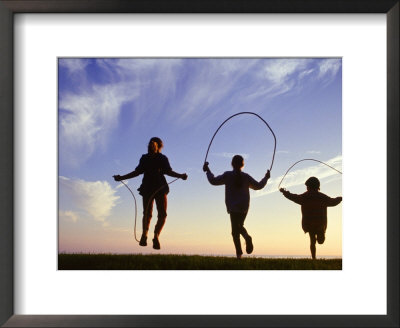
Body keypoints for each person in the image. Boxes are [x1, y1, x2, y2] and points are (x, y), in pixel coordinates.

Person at [114, 137, 188, 250]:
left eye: (153, 144)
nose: (151, 146)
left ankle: (153, 235)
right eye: (150, 144)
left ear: (158, 146)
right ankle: (147, 235)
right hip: (151, 188)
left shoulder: (161, 158)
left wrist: (180, 175)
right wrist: (121, 177)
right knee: (152, 214)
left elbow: (168, 171)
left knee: (157, 214)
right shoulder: (145, 158)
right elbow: (137, 172)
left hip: (158, 188)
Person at [203, 155, 270, 259]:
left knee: (235, 231)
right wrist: (266, 177)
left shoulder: (228, 175)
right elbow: (258, 186)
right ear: (243, 165)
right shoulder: (246, 176)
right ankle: (245, 240)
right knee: (238, 227)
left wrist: (207, 170)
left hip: (233, 207)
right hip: (244, 207)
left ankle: (240, 252)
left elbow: (213, 181)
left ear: (232, 164)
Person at [280, 177, 342, 260]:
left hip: (309, 223)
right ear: (317, 186)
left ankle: (313, 258)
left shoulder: (305, 196)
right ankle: (314, 258)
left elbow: (293, 197)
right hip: (320, 223)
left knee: (313, 241)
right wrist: (340, 198)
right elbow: (333, 201)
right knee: (318, 241)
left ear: (309, 186)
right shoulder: (322, 197)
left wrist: (284, 192)